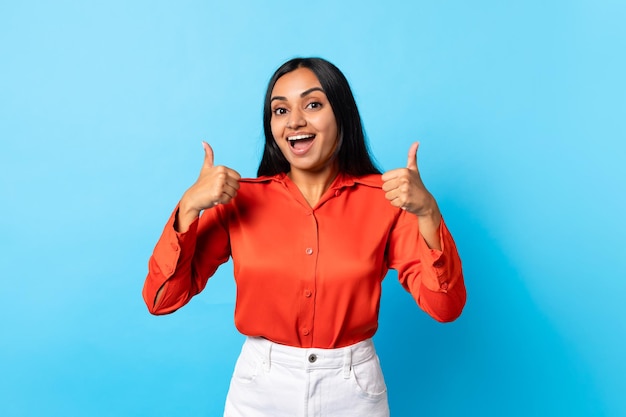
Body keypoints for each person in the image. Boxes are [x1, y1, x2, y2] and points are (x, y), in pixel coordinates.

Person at [143, 57, 466, 417]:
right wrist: (188, 207)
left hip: (353, 389)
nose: (295, 121)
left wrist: (428, 214)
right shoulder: (237, 202)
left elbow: (446, 308)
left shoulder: (387, 201)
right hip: (260, 389)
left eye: (313, 104)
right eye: (280, 110)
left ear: (341, 114)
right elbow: (161, 299)